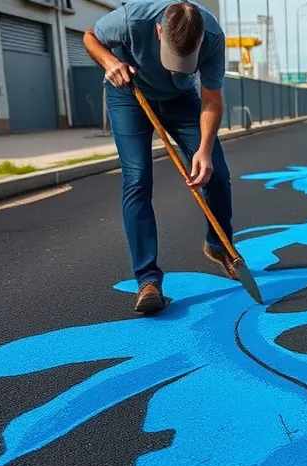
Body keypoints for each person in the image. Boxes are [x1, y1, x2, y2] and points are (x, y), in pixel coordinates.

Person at [84, 0, 235, 315]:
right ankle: (147, 280)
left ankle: (219, 246)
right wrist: (109, 61)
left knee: (216, 172)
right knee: (137, 178)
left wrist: (204, 150)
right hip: (129, 93)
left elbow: (211, 99)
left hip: (182, 99)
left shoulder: (213, 37)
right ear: (158, 31)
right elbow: (90, 37)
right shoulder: (129, 20)